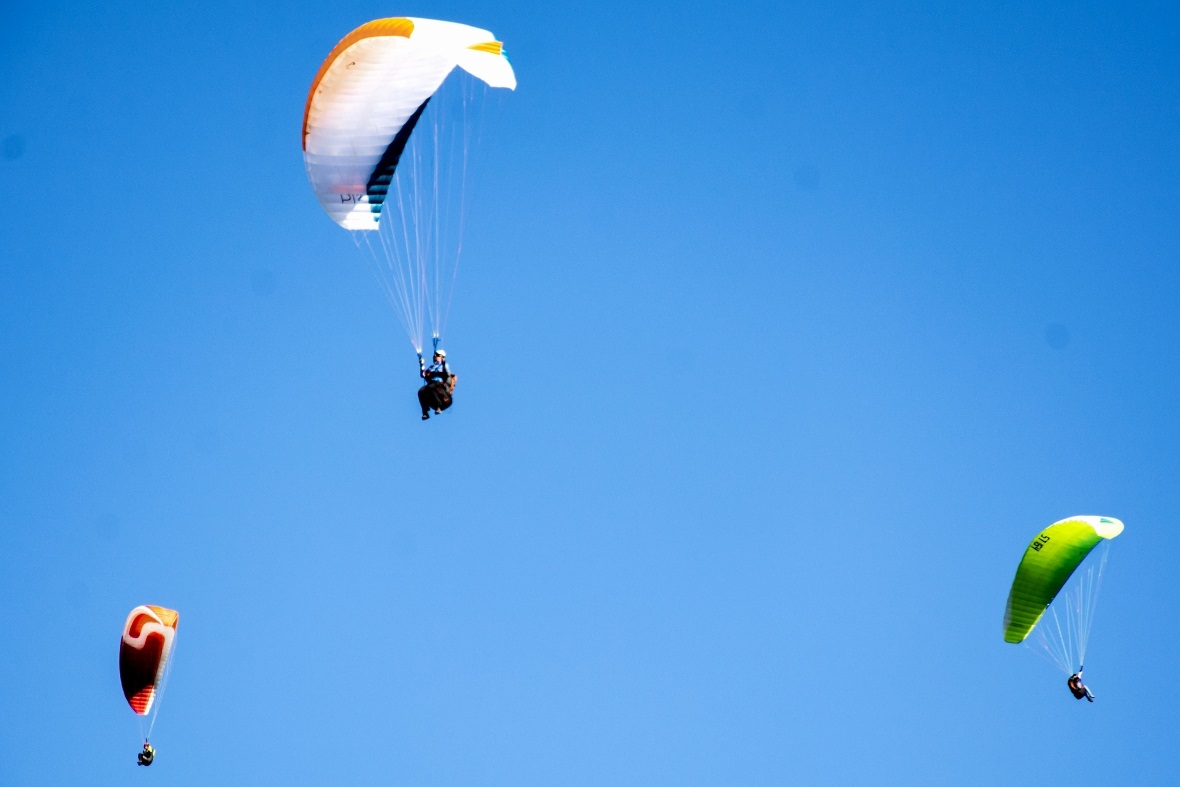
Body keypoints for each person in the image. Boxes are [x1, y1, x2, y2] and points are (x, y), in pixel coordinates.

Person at [417, 349, 457, 420]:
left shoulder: (444, 366)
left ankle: (439, 407)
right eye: (435, 355)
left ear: (442, 357)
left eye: (438, 355)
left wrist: (433, 368)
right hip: (433, 396)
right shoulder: (432, 367)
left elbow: (441, 369)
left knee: (433, 385)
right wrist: (422, 364)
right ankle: (425, 412)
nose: (435, 356)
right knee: (421, 391)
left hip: (445, 398)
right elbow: (423, 375)